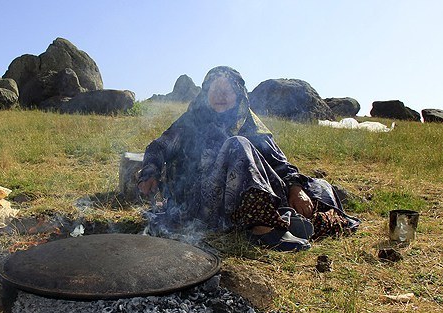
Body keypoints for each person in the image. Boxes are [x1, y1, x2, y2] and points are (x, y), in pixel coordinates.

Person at [138, 66, 359, 251]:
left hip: (239, 200)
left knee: (318, 187)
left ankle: (286, 220)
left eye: (227, 90)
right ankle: (265, 230)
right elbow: (159, 147)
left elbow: (277, 162)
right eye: (215, 90)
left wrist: (295, 187)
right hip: (200, 204)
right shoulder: (190, 122)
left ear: (239, 95)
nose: (220, 96)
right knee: (237, 145)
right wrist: (150, 171)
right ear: (205, 93)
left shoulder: (250, 123)